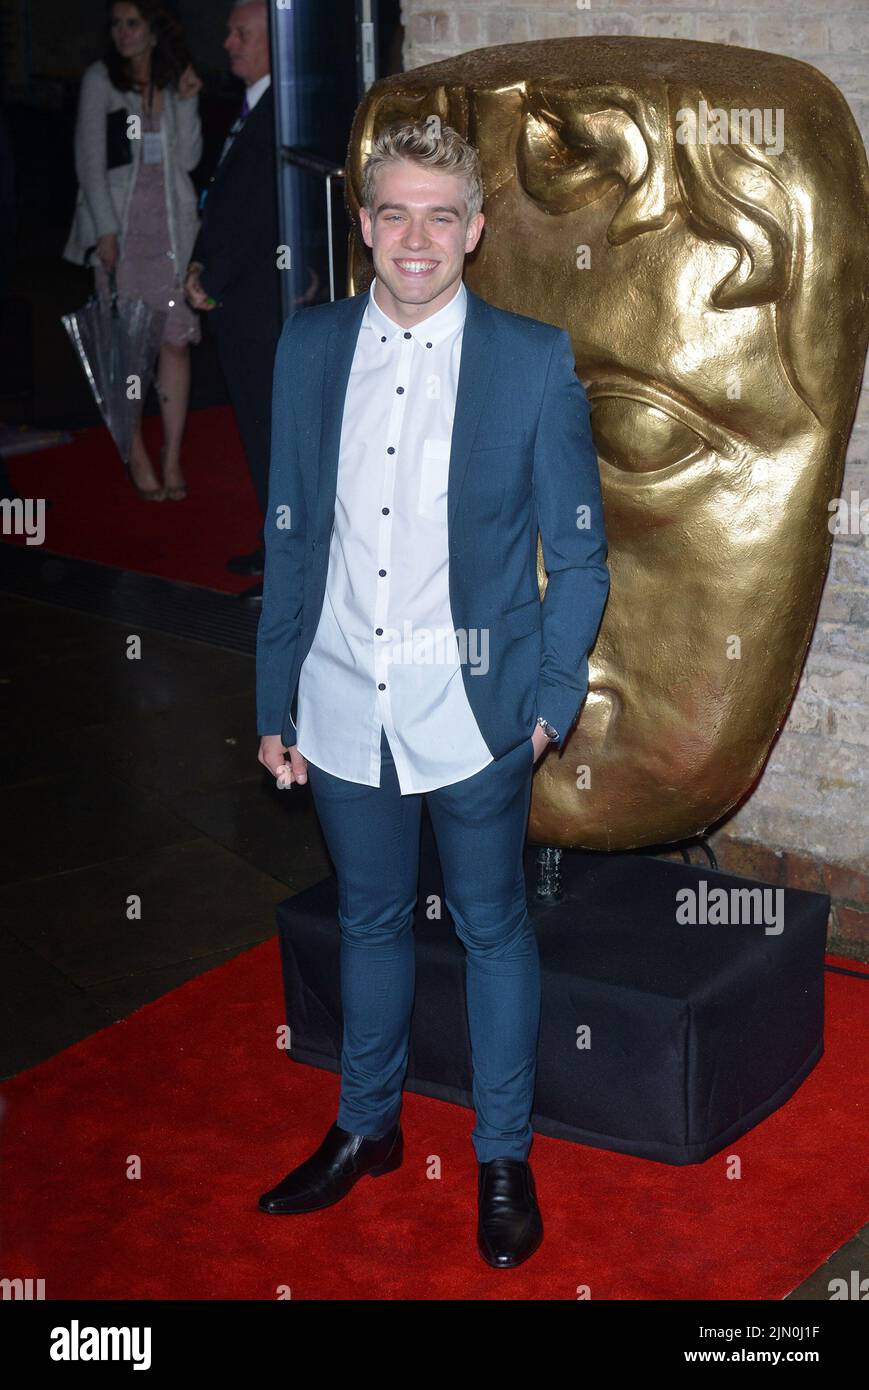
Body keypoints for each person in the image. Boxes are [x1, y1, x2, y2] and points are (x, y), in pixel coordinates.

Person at [254, 121, 610, 1268]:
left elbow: (581, 553)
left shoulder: (530, 357)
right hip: (340, 700)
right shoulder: (305, 348)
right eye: (393, 213)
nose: (417, 238)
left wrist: (549, 696)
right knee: (366, 919)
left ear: (476, 230)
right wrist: (273, 700)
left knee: (491, 926)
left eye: (440, 215)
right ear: (361, 226)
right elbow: (290, 540)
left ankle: (502, 1154)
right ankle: (367, 1128)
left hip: (478, 715)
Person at [64, 1, 203, 501]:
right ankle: (137, 450)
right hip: (122, 231)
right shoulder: (103, 80)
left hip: (170, 230)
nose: (122, 33)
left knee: (174, 342)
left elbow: (188, 159)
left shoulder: (170, 82)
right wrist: (103, 231)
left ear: (154, 31)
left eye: (132, 23)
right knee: (129, 349)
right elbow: (89, 160)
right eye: (116, 24)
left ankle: (171, 454)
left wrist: (186, 102)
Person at [184, 0, 281, 586]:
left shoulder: (277, 112)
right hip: (237, 299)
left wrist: (212, 279)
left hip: (257, 303)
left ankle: (285, 558)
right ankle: (274, 543)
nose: (227, 43)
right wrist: (201, 261)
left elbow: (257, 214)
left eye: (239, 33)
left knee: (271, 431)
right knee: (254, 427)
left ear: (272, 42)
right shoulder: (252, 107)